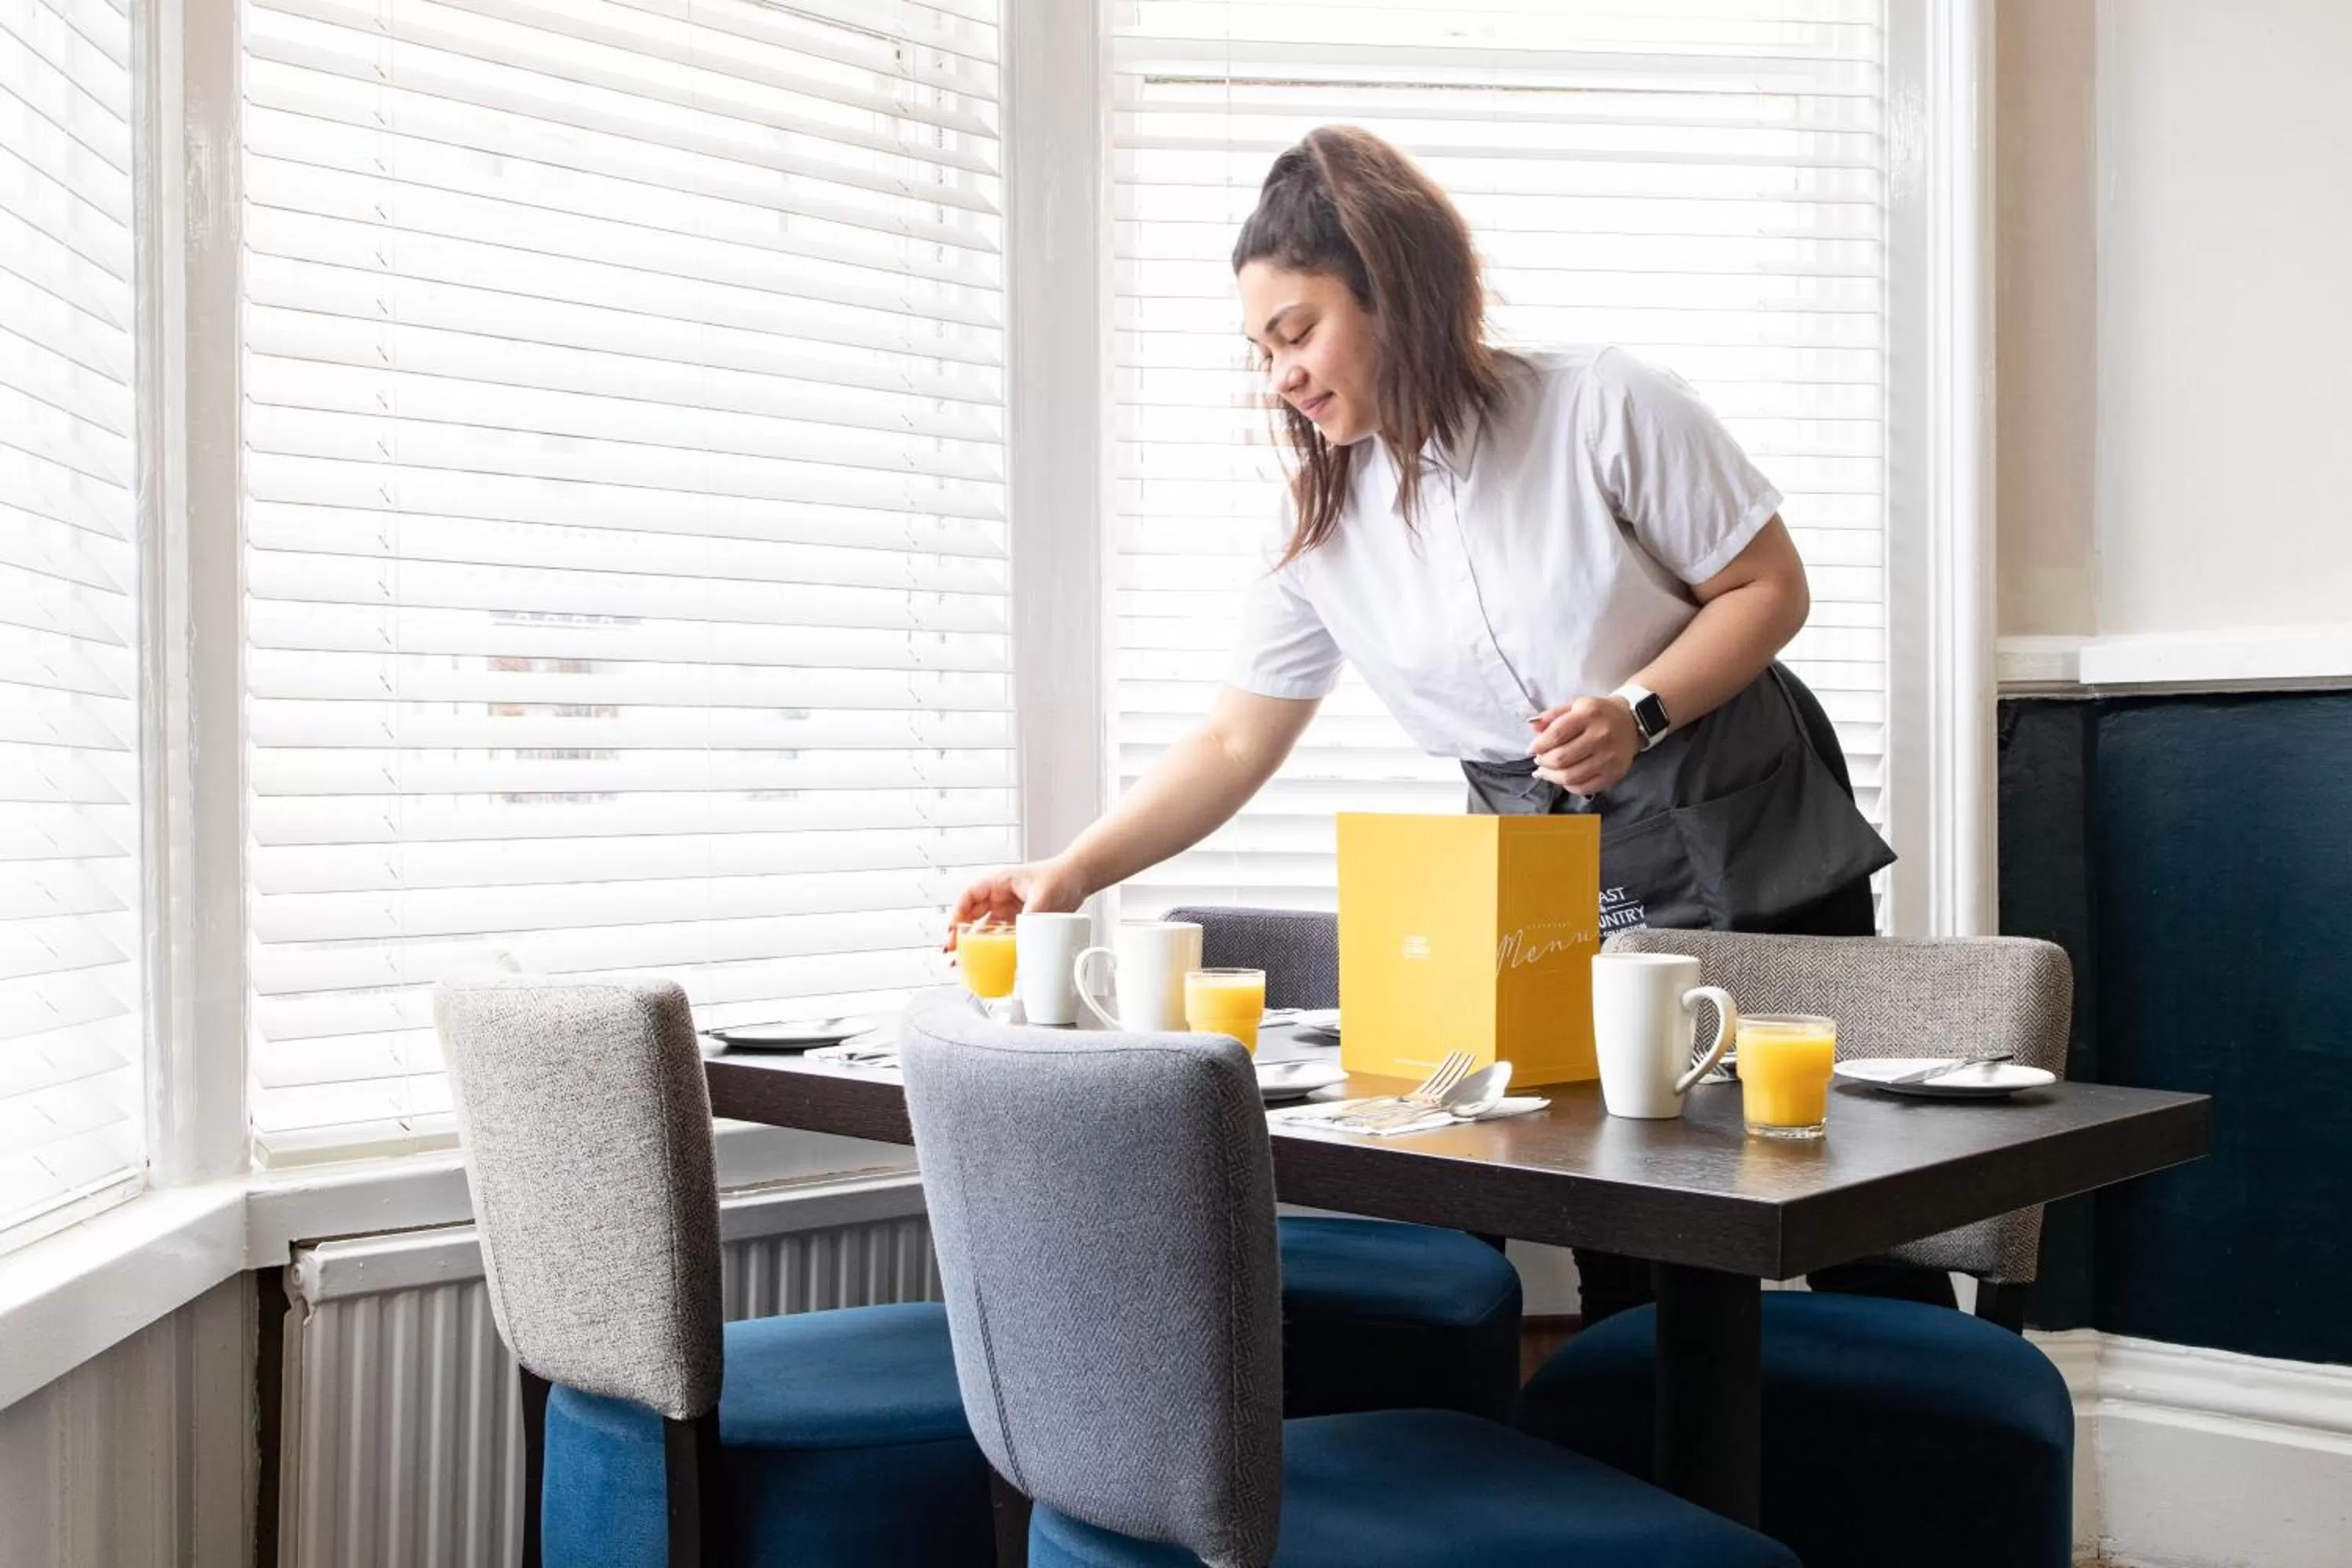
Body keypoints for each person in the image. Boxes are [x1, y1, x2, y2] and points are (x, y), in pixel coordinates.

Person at [950, 126, 1928, 1322]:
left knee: (1845, 1185)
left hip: (1740, 805)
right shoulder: (1323, 525)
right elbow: (1233, 744)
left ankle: (1913, 1481)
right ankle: (1652, 1488)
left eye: (1298, 331)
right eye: (1262, 350)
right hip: (1543, 858)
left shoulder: (1601, 404)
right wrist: (1070, 870)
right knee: (1619, 1199)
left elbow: (1770, 589)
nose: (1283, 378)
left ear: (1396, 289)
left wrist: (1640, 707)